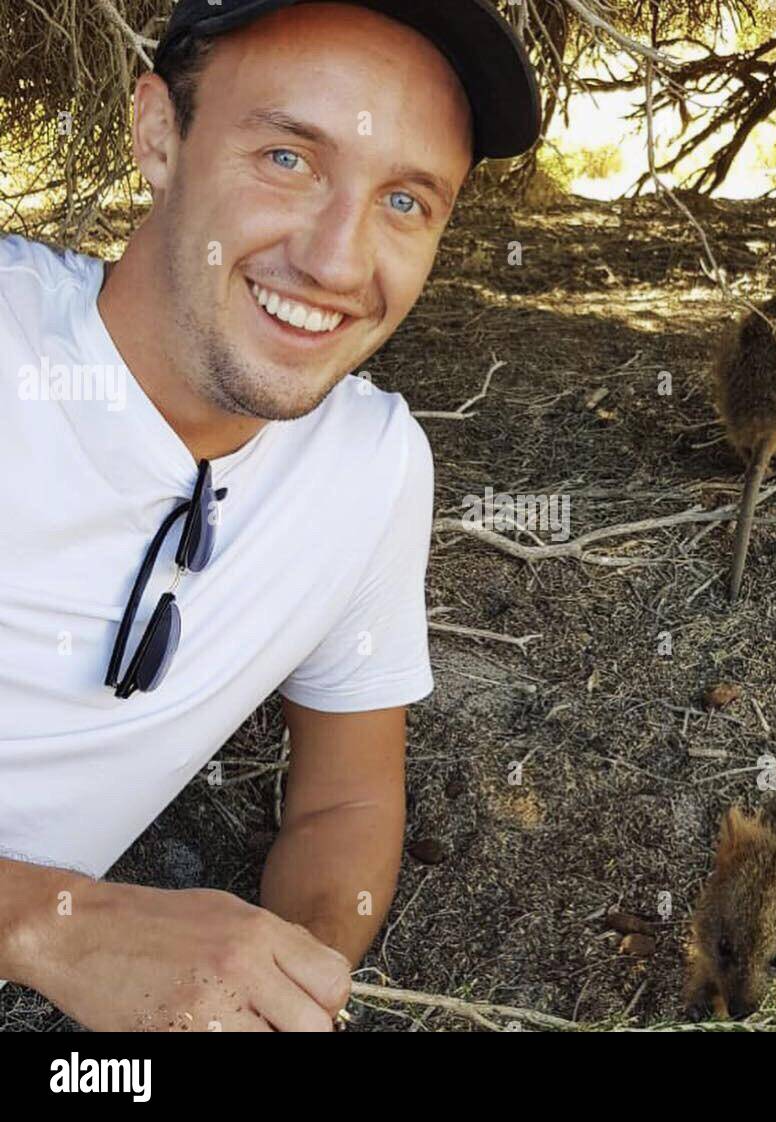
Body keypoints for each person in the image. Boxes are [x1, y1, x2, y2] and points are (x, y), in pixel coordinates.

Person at [0, 0, 540, 1032]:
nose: (338, 263)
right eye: (288, 159)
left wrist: (291, 985)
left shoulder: (370, 468)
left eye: (405, 201)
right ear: (160, 136)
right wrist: (51, 926)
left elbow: (349, 805)